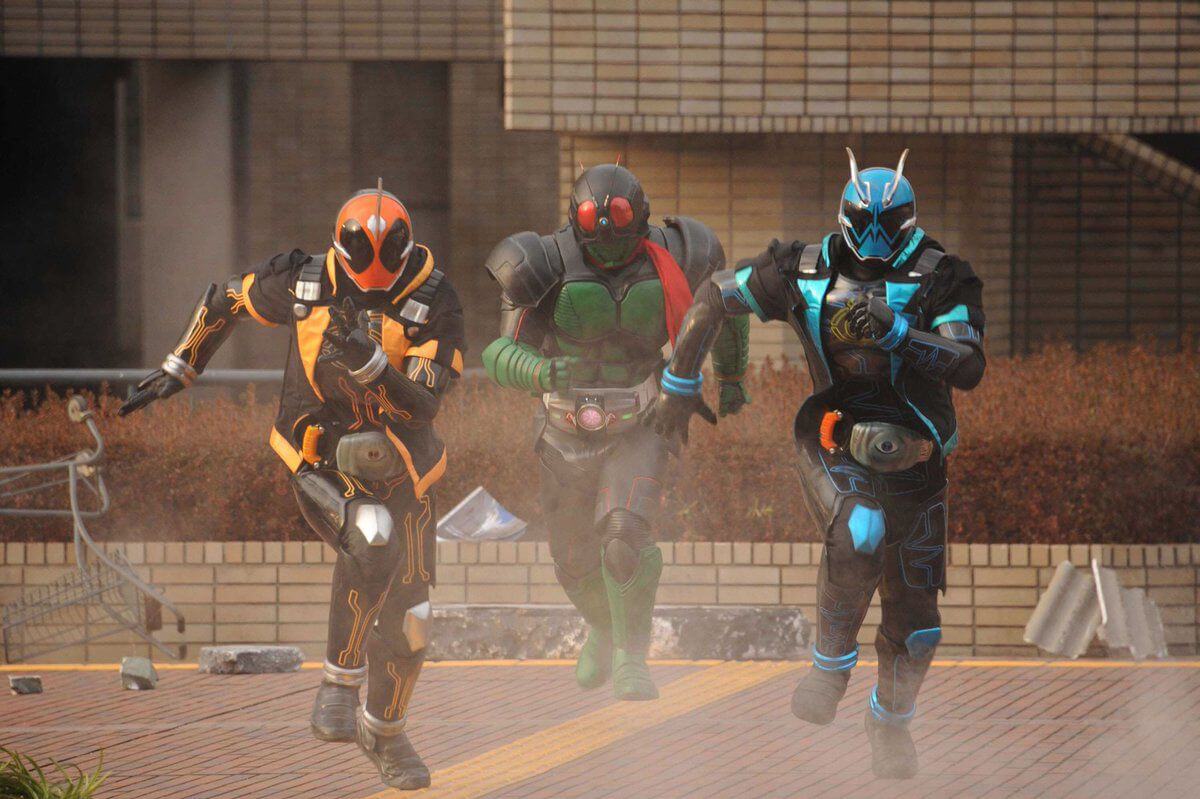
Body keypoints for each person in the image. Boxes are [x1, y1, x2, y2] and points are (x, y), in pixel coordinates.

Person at [120, 182, 465, 790]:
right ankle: (338, 683)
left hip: (405, 469)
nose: (373, 286)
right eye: (361, 274)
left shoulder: (434, 299)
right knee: (371, 534)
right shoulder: (305, 281)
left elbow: (422, 405)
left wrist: (370, 362)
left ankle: (384, 733)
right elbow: (227, 299)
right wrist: (182, 364)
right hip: (319, 457)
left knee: (412, 619)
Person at [652, 149, 986, 778]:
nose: (877, 238)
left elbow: (968, 365)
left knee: (917, 627)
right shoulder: (801, 268)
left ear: (910, 220)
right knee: (860, 529)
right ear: (846, 216)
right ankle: (830, 668)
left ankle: (889, 721)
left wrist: (899, 335)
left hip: (916, 454)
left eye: (891, 225)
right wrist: (678, 384)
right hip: (832, 434)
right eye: (866, 223)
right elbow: (716, 295)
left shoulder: (943, 276)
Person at [480, 163, 750, 700]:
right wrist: (538, 370)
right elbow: (499, 351)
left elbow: (724, 303)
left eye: (620, 216)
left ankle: (631, 655)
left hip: (641, 420)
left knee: (624, 538)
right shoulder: (543, 262)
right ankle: (605, 627)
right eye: (593, 219)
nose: (606, 233)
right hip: (563, 428)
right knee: (572, 561)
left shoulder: (680, 252)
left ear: (641, 216)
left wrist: (732, 376)